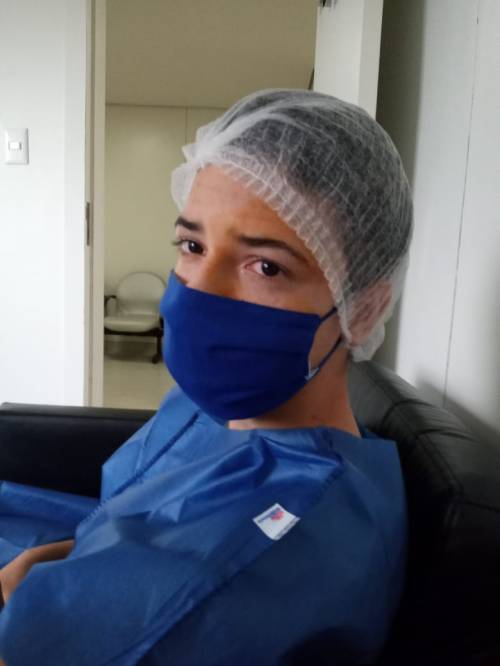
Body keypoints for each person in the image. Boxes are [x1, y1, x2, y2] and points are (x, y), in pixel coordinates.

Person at [0, 88, 413, 665]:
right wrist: (56, 561)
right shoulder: (227, 410)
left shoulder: (255, 559)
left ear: (363, 309)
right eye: (192, 245)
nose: (197, 292)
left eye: (265, 266)